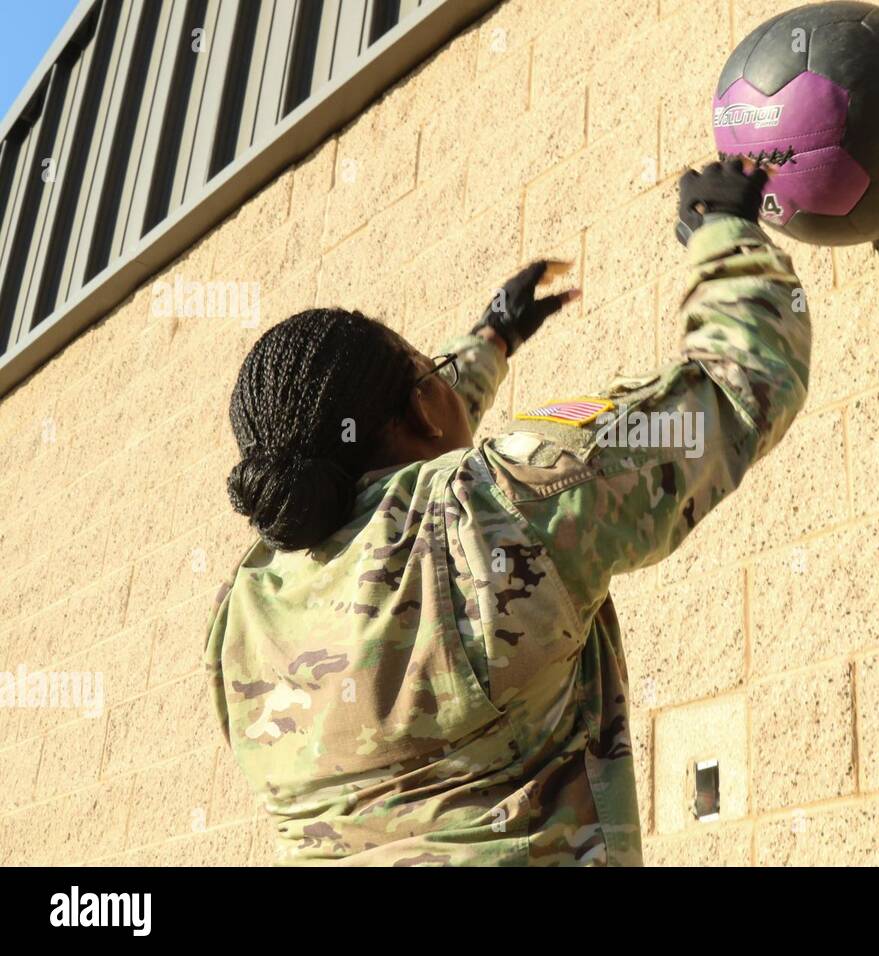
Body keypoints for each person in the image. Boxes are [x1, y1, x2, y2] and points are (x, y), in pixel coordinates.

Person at [204, 160, 811, 865]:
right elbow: (742, 383)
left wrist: (491, 339)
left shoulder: (238, 620)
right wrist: (725, 230)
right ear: (420, 409)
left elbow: (395, 438)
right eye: (430, 377)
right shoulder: (498, 506)